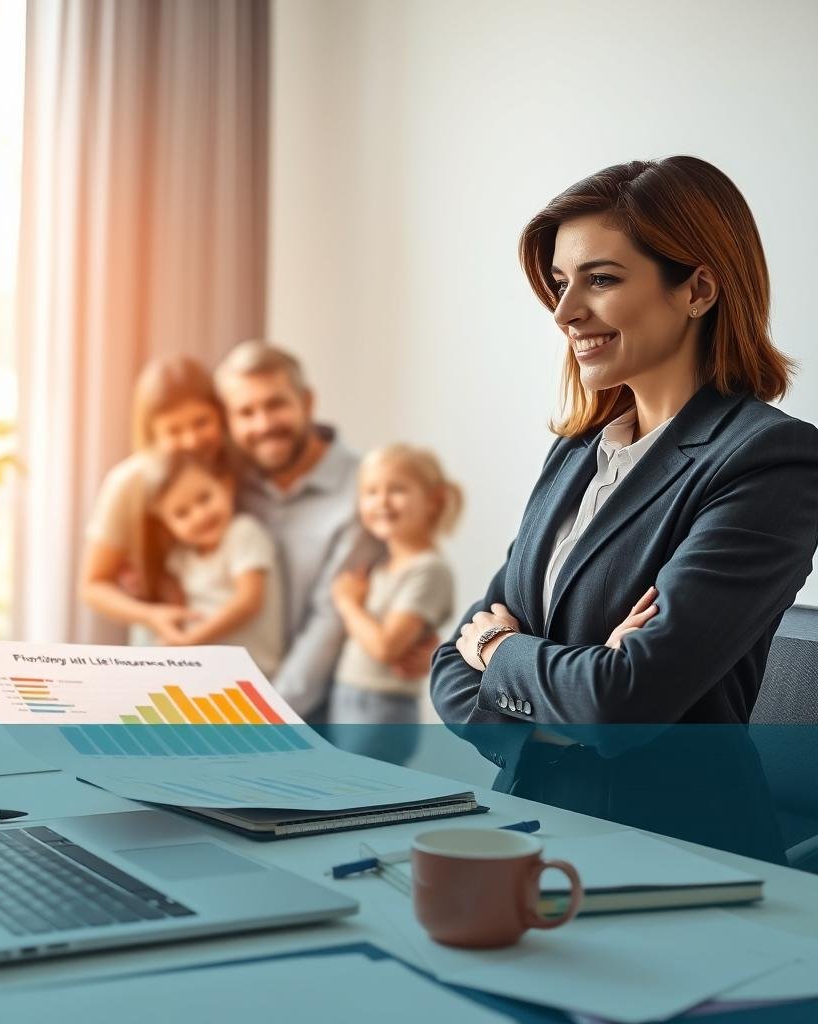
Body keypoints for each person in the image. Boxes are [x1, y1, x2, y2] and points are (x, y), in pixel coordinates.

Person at [431, 156, 818, 862]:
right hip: (530, 836)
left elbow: (622, 702)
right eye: (559, 283)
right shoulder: (579, 452)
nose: (564, 311)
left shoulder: (771, 460)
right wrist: (565, 692)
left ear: (698, 289)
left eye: (600, 279)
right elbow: (446, 672)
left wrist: (498, 652)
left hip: (675, 861)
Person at [214, 341, 437, 722]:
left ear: (307, 401)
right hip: (233, 708)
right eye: (246, 412)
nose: (263, 425)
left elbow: (329, 621)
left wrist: (263, 721)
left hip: (328, 720)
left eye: (275, 404)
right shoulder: (223, 488)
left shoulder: (365, 490)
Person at [329, 445, 463, 763]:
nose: (381, 502)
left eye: (397, 489)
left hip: (381, 707)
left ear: (434, 500)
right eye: (370, 492)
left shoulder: (428, 569)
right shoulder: (382, 564)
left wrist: (347, 603)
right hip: (350, 698)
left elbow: (386, 647)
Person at [80, 355, 228, 642]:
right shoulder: (128, 485)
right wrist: (150, 616)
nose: (191, 440)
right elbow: (93, 585)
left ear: (220, 415)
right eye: (174, 430)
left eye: (201, 422)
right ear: (151, 433)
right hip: (163, 645)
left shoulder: (236, 471)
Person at [134, 450, 283, 676]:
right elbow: (179, 610)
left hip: (250, 674)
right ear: (167, 525)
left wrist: (192, 641)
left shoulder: (243, 532)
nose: (199, 515)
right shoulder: (182, 557)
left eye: (205, 498)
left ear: (226, 486)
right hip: (203, 670)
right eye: (182, 513)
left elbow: (249, 601)